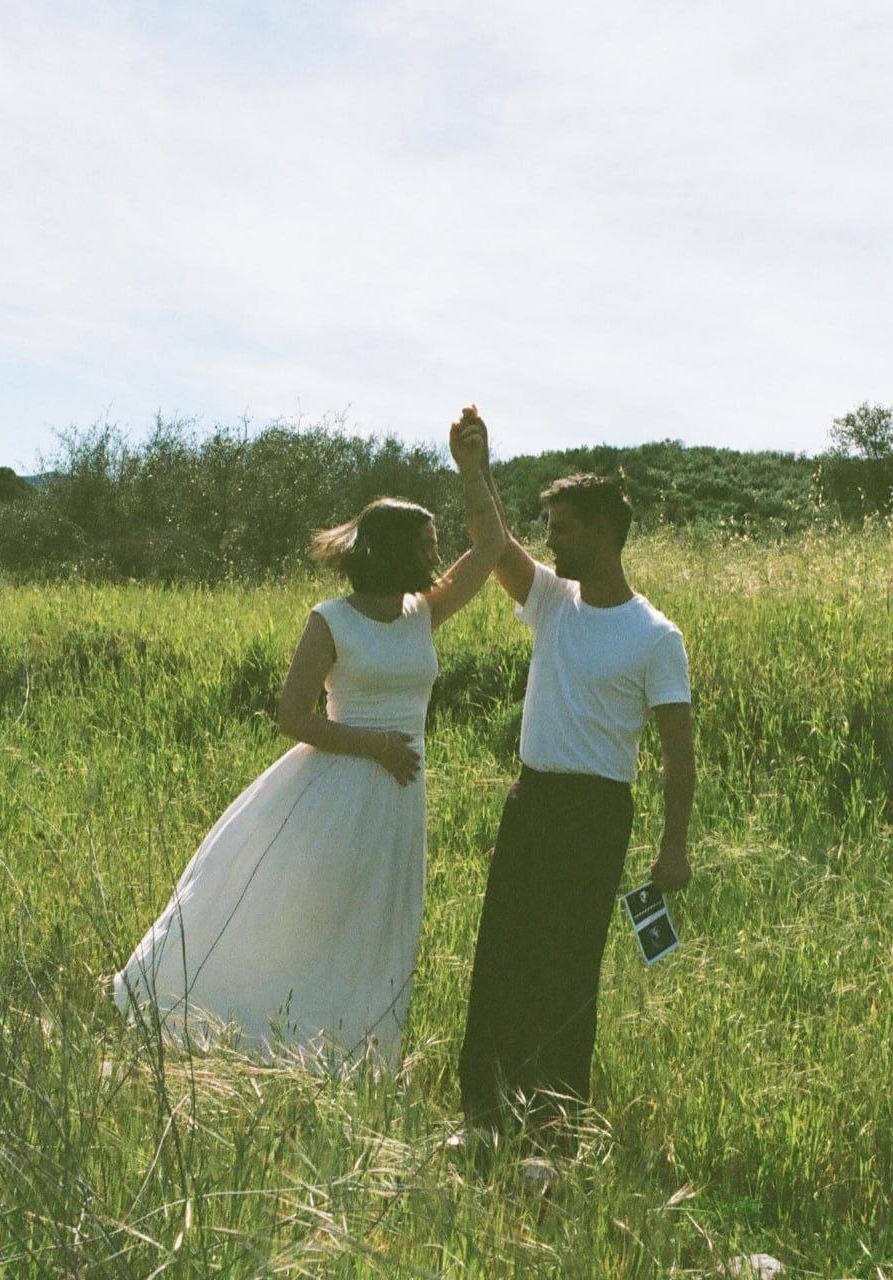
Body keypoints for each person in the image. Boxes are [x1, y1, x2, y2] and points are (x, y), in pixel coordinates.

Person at [114, 412, 505, 1065]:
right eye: (427, 545)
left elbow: (491, 546)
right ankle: (265, 1034)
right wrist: (375, 746)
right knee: (305, 917)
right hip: (335, 790)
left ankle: (351, 1053)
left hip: (397, 800)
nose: (437, 557)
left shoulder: (424, 613)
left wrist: (474, 469)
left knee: (374, 925)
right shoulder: (332, 621)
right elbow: (292, 716)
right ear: (393, 551)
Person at [454, 408, 695, 1149]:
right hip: (532, 798)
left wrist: (674, 845)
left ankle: (551, 1134)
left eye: (562, 526)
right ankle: (485, 1120)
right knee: (503, 956)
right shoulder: (553, 603)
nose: (550, 539)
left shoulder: (656, 637)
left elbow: (678, 754)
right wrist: (474, 469)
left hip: (595, 812)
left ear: (603, 530)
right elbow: (497, 544)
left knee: (565, 969)